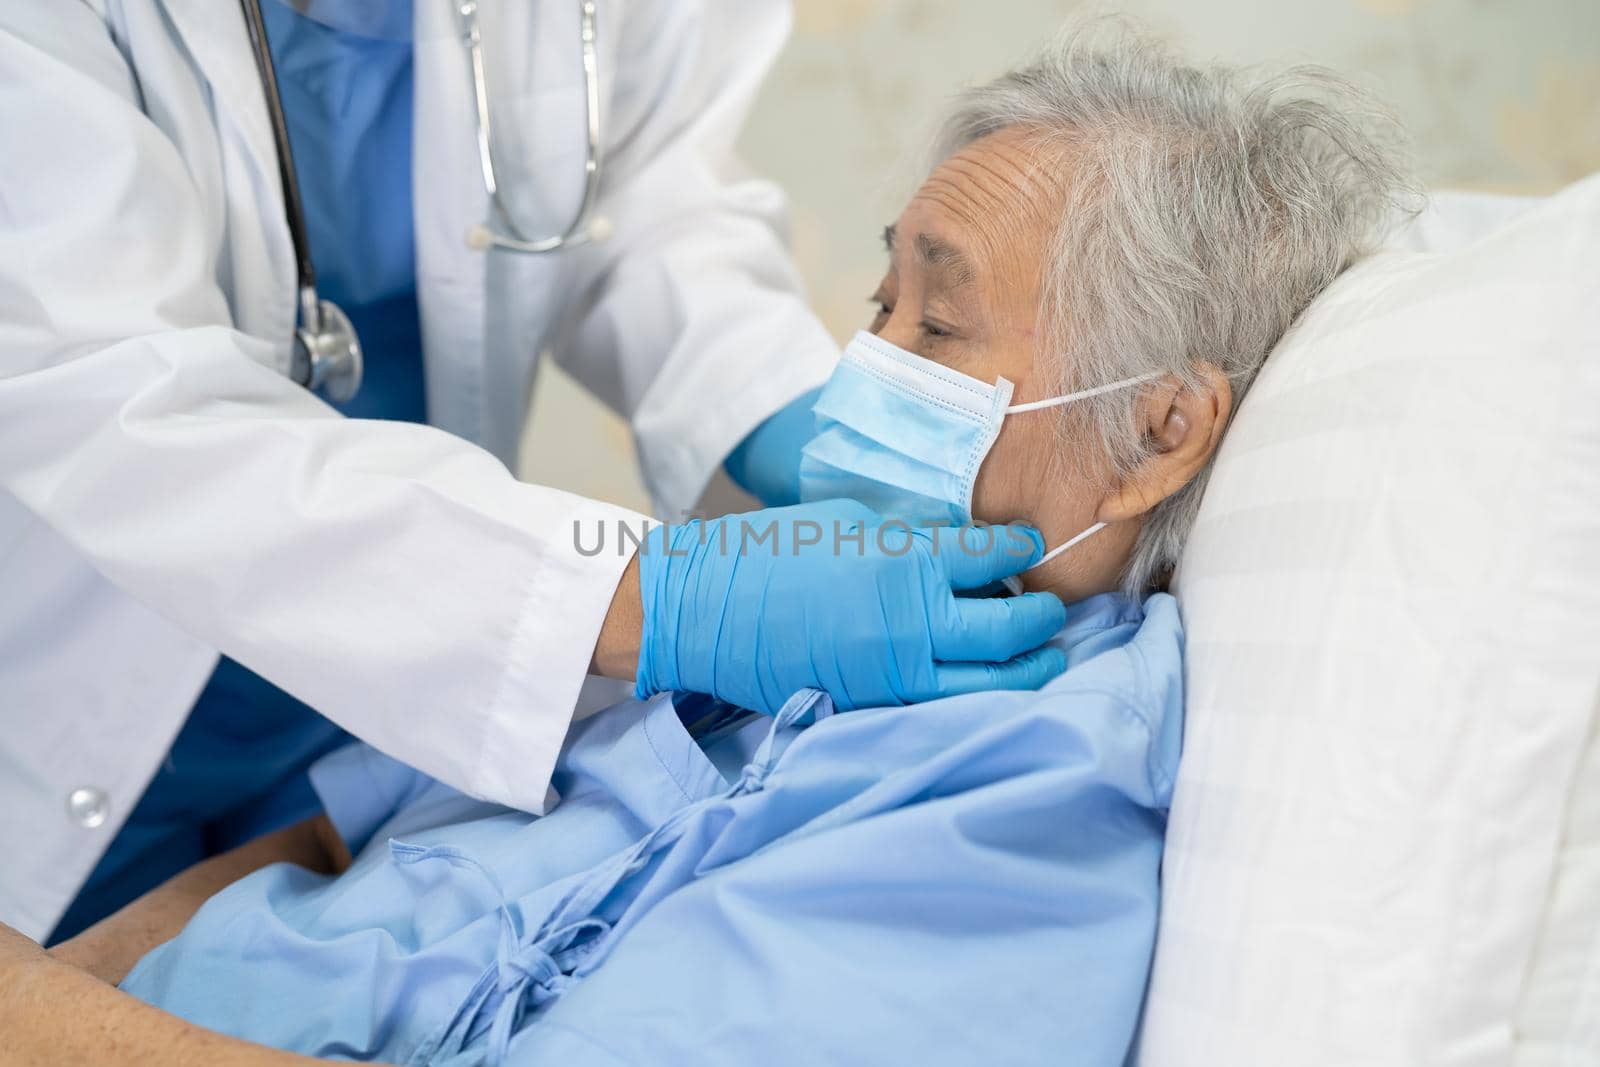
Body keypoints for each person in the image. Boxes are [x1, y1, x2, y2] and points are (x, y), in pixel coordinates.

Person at [0, 21, 1413, 1066]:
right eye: (872, 309)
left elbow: (644, 207)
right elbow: (119, 409)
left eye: (934, 325)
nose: (870, 369)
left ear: (1164, 426)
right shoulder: (715, 643)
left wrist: (40, 1018)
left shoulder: (1030, 780)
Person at [0, 0, 1072, 944]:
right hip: (62, 674)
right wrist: (662, 597)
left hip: (379, 704)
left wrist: (786, 417)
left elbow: (647, 203)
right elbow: (108, 384)